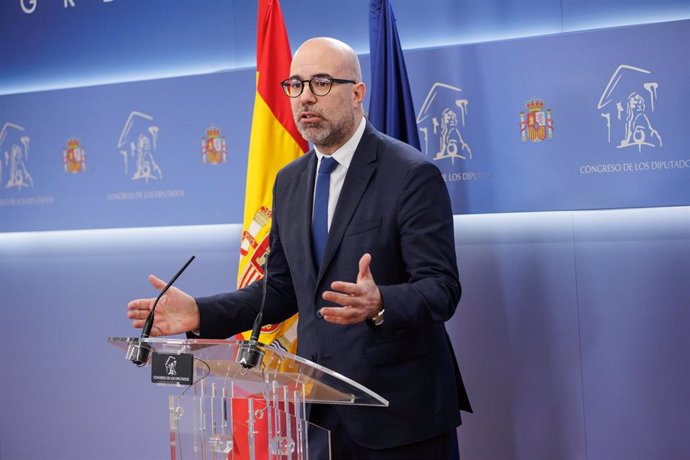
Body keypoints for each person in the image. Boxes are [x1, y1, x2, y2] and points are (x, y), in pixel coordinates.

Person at [128, 37, 471, 459]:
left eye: (322, 83)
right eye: (295, 85)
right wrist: (200, 312)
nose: (305, 97)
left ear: (358, 94)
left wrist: (381, 301)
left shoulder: (411, 174)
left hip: (401, 416)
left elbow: (441, 288)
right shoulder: (290, 181)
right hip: (319, 415)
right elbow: (281, 290)